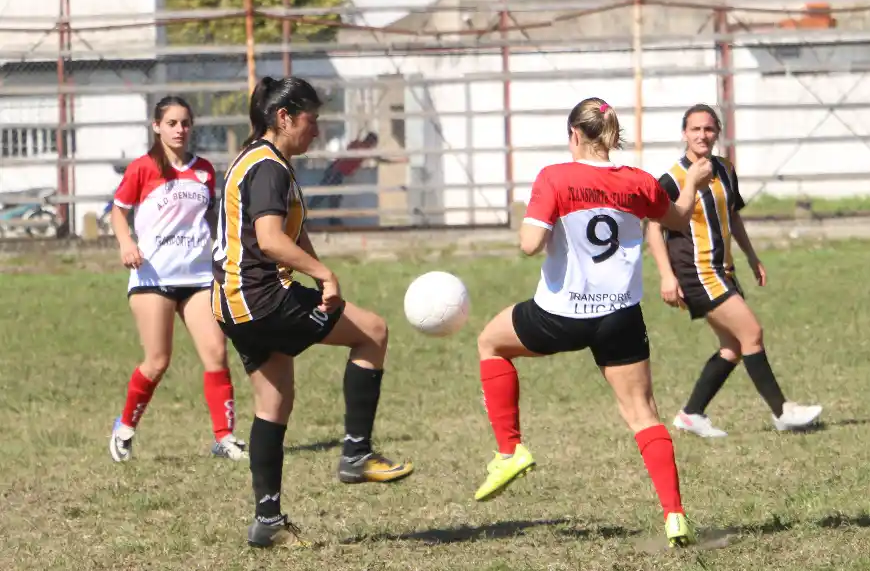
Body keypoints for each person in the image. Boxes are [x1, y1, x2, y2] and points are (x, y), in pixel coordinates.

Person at [472, 97, 714, 548]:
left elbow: (529, 245)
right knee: (643, 415)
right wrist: (693, 181)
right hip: (619, 316)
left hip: (560, 315)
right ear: (611, 134)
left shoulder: (555, 177)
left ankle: (510, 451)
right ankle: (675, 515)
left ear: (574, 135)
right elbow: (677, 218)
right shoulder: (639, 181)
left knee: (490, 342)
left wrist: (542, 218)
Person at [212, 76, 413, 550]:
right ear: (284, 117)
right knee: (373, 333)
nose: (317, 130)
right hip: (262, 300)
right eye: (311, 119)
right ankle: (356, 454)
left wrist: (317, 269)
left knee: (274, 404)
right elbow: (271, 239)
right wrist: (324, 274)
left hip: (232, 304)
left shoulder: (257, 159)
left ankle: (268, 522)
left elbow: (291, 235)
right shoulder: (269, 168)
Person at [647, 104, 823, 438]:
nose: (702, 135)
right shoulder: (671, 179)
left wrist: (752, 257)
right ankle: (782, 411)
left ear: (717, 132)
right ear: (684, 133)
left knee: (734, 346)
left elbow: (734, 216)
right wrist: (666, 276)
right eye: (695, 129)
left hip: (721, 269)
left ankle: (691, 414)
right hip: (695, 271)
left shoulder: (725, 168)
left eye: (709, 129)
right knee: (752, 333)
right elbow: (654, 228)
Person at [108, 96, 246, 463]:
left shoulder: (204, 170)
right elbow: (118, 212)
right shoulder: (143, 168)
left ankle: (225, 437)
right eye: (171, 123)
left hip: (199, 276)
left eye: (185, 123)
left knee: (216, 354)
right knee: (157, 361)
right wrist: (126, 243)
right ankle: (124, 428)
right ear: (157, 127)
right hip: (154, 276)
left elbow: (210, 217)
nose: (179, 130)